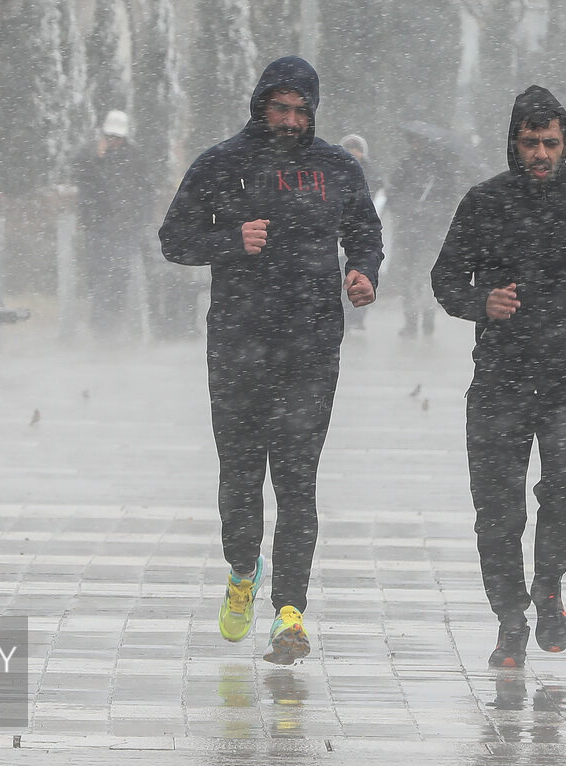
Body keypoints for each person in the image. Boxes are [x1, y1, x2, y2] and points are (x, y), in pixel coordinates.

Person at [159, 56, 383, 665]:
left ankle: (290, 612)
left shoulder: (336, 166)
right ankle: (240, 571)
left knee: (297, 480)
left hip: (311, 346)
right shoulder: (220, 163)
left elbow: (366, 229)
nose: (288, 120)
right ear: (259, 106)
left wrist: (363, 270)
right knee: (239, 472)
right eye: (278, 108)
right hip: (237, 344)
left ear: (313, 112)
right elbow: (173, 239)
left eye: (299, 111)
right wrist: (230, 241)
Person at [431, 85, 566, 668]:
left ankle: (548, 584)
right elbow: (445, 279)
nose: (541, 153)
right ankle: (508, 620)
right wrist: (481, 302)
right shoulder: (484, 202)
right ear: (514, 145)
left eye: (551, 142)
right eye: (531, 143)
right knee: (497, 512)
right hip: (499, 380)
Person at [72, 109, 154, 339]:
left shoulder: (136, 156)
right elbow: (80, 174)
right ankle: (99, 324)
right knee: (98, 274)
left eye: (116, 137)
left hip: (126, 226)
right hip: (98, 226)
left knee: (120, 273)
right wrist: (96, 157)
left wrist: (142, 221)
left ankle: (115, 321)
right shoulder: (91, 155)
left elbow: (147, 190)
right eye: (109, 136)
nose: (113, 141)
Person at [387, 123, 475, 337]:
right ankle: (411, 321)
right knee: (408, 279)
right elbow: (393, 196)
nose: (416, 145)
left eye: (420, 141)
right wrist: (407, 208)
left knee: (424, 277)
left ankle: (427, 318)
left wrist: (429, 211)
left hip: (430, 234)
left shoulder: (442, 169)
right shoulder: (406, 166)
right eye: (414, 141)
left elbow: (450, 200)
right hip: (409, 232)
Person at [338, 133, 385, 332]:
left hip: (363, 232)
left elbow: (378, 204)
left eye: (356, 148)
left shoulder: (372, 175)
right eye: (349, 148)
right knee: (342, 275)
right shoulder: (335, 171)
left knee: (362, 274)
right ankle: (346, 316)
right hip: (340, 236)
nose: (353, 153)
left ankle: (358, 316)